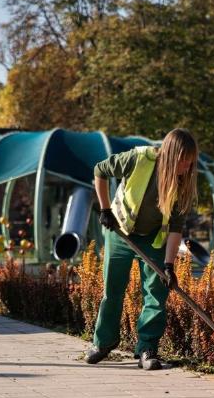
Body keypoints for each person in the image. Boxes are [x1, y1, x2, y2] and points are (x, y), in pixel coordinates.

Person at [85, 128, 198, 370]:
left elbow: (176, 227)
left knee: (156, 295)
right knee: (112, 290)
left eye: (191, 161)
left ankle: (147, 348)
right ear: (169, 154)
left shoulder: (183, 185)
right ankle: (103, 342)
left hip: (153, 241)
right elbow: (99, 171)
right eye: (183, 159)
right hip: (121, 233)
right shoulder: (138, 159)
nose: (187, 166)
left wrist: (168, 264)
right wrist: (105, 209)